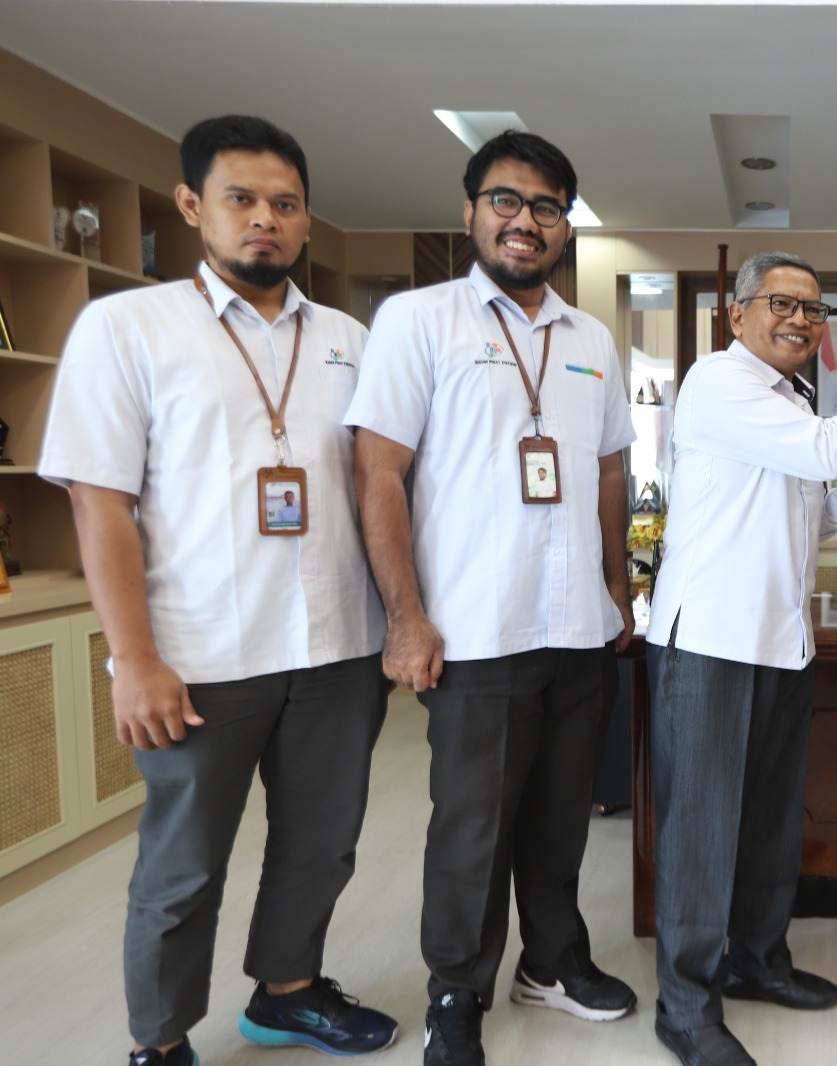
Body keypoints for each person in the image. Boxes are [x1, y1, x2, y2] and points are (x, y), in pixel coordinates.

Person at [39, 115, 396, 1066]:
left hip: (337, 646)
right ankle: (159, 1041)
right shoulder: (128, 327)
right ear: (193, 206)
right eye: (242, 199)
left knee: (321, 845)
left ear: (307, 219)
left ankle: (288, 992)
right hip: (198, 656)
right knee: (184, 862)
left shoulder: (350, 340)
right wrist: (133, 660)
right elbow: (98, 502)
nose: (264, 219)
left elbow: (384, 486)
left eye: (285, 203)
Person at [345, 130, 636, 1066]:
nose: (525, 221)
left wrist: (618, 589)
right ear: (469, 211)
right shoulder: (418, 321)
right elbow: (379, 473)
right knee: (473, 825)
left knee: (560, 818)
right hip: (477, 628)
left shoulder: (591, 339)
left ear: (565, 226)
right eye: (506, 200)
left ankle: (552, 964)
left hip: (578, 627)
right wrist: (405, 618)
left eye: (547, 206)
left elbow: (609, 471)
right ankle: (456, 990)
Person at [644, 251, 837, 1066]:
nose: (800, 320)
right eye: (781, 303)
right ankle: (685, 1007)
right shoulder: (719, 381)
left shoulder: (792, 398)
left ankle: (756, 960)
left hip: (781, 640)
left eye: (813, 310)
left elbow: (803, 513)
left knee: (769, 824)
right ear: (737, 314)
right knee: (701, 833)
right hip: (709, 643)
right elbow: (821, 453)